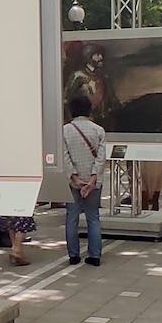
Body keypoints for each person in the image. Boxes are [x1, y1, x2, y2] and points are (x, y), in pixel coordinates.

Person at [63, 94, 105, 266]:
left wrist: (74, 177)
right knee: (93, 217)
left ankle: (73, 255)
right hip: (93, 182)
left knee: (71, 217)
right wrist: (92, 179)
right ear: (89, 109)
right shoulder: (98, 130)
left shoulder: (64, 130)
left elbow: (65, 157)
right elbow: (101, 158)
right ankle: (94, 256)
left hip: (73, 182)